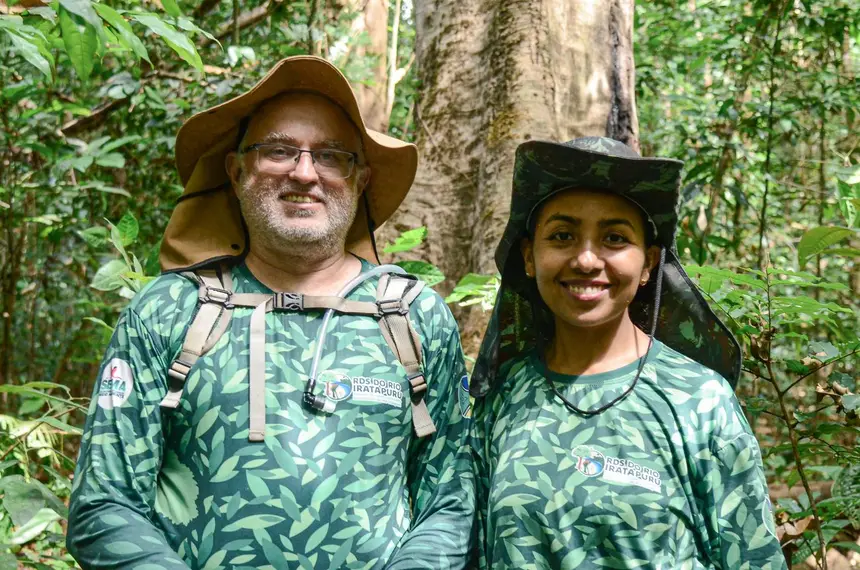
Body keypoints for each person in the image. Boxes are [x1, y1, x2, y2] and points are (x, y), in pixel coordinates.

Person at [67, 56, 474, 570]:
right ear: (237, 172)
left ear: (361, 179)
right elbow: (103, 503)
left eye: (330, 156)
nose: (304, 173)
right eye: (279, 150)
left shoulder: (414, 316)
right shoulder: (171, 308)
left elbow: (452, 502)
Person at [469, 137, 786, 569]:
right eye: (562, 235)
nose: (585, 259)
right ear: (529, 256)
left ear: (649, 263)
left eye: (615, 238)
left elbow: (754, 560)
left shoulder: (699, 400)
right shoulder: (504, 396)